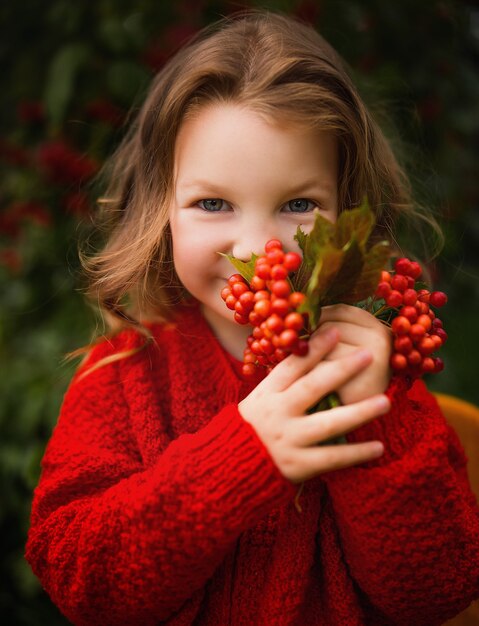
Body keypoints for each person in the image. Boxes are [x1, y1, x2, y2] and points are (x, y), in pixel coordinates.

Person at [26, 10, 479, 626]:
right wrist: (242, 457)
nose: (258, 247)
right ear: (162, 208)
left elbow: (440, 589)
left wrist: (369, 424)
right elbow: (84, 582)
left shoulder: (378, 375)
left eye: (298, 204)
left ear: (350, 209)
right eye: (213, 203)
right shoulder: (123, 375)